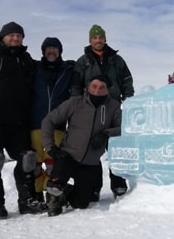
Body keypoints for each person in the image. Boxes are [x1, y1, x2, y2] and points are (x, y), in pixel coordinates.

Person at [0, 22, 47, 219]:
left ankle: (26, 201)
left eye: (19, 36)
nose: (15, 38)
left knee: (27, 159)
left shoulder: (26, 59)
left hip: (19, 122)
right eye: (11, 35)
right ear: (3, 37)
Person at [42, 75, 122, 216]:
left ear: (108, 90)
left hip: (90, 162)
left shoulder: (113, 107)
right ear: (87, 88)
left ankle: (65, 194)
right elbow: (48, 121)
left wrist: (106, 133)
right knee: (58, 177)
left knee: (81, 203)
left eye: (102, 87)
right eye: (94, 86)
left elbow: (124, 127)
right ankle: (54, 197)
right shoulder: (74, 103)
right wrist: (50, 147)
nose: (97, 90)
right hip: (68, 155)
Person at [70, 24, 134, 199]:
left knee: (115, 148)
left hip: (113, 107)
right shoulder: (83, 62)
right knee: (92, 150)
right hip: (91, 109)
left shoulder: (117, 60)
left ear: (105, 39)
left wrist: (128, 99)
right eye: (95, 38)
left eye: (100, 37)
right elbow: (76, 85)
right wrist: (77, 105)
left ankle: (119, 185)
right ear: (90, 40)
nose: (98, 40)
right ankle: (94, 187)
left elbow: (127, 80)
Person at [30, 37, 75, 202]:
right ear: (43, 51)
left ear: (60, 51)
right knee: (34, 165)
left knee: (52, 164)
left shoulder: (68, 69)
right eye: (48, 48)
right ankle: (36, 196)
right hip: (35, 123)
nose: (51, 51)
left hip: (57, 125)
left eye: (55, 48)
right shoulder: (34, 67)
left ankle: (52, 196)